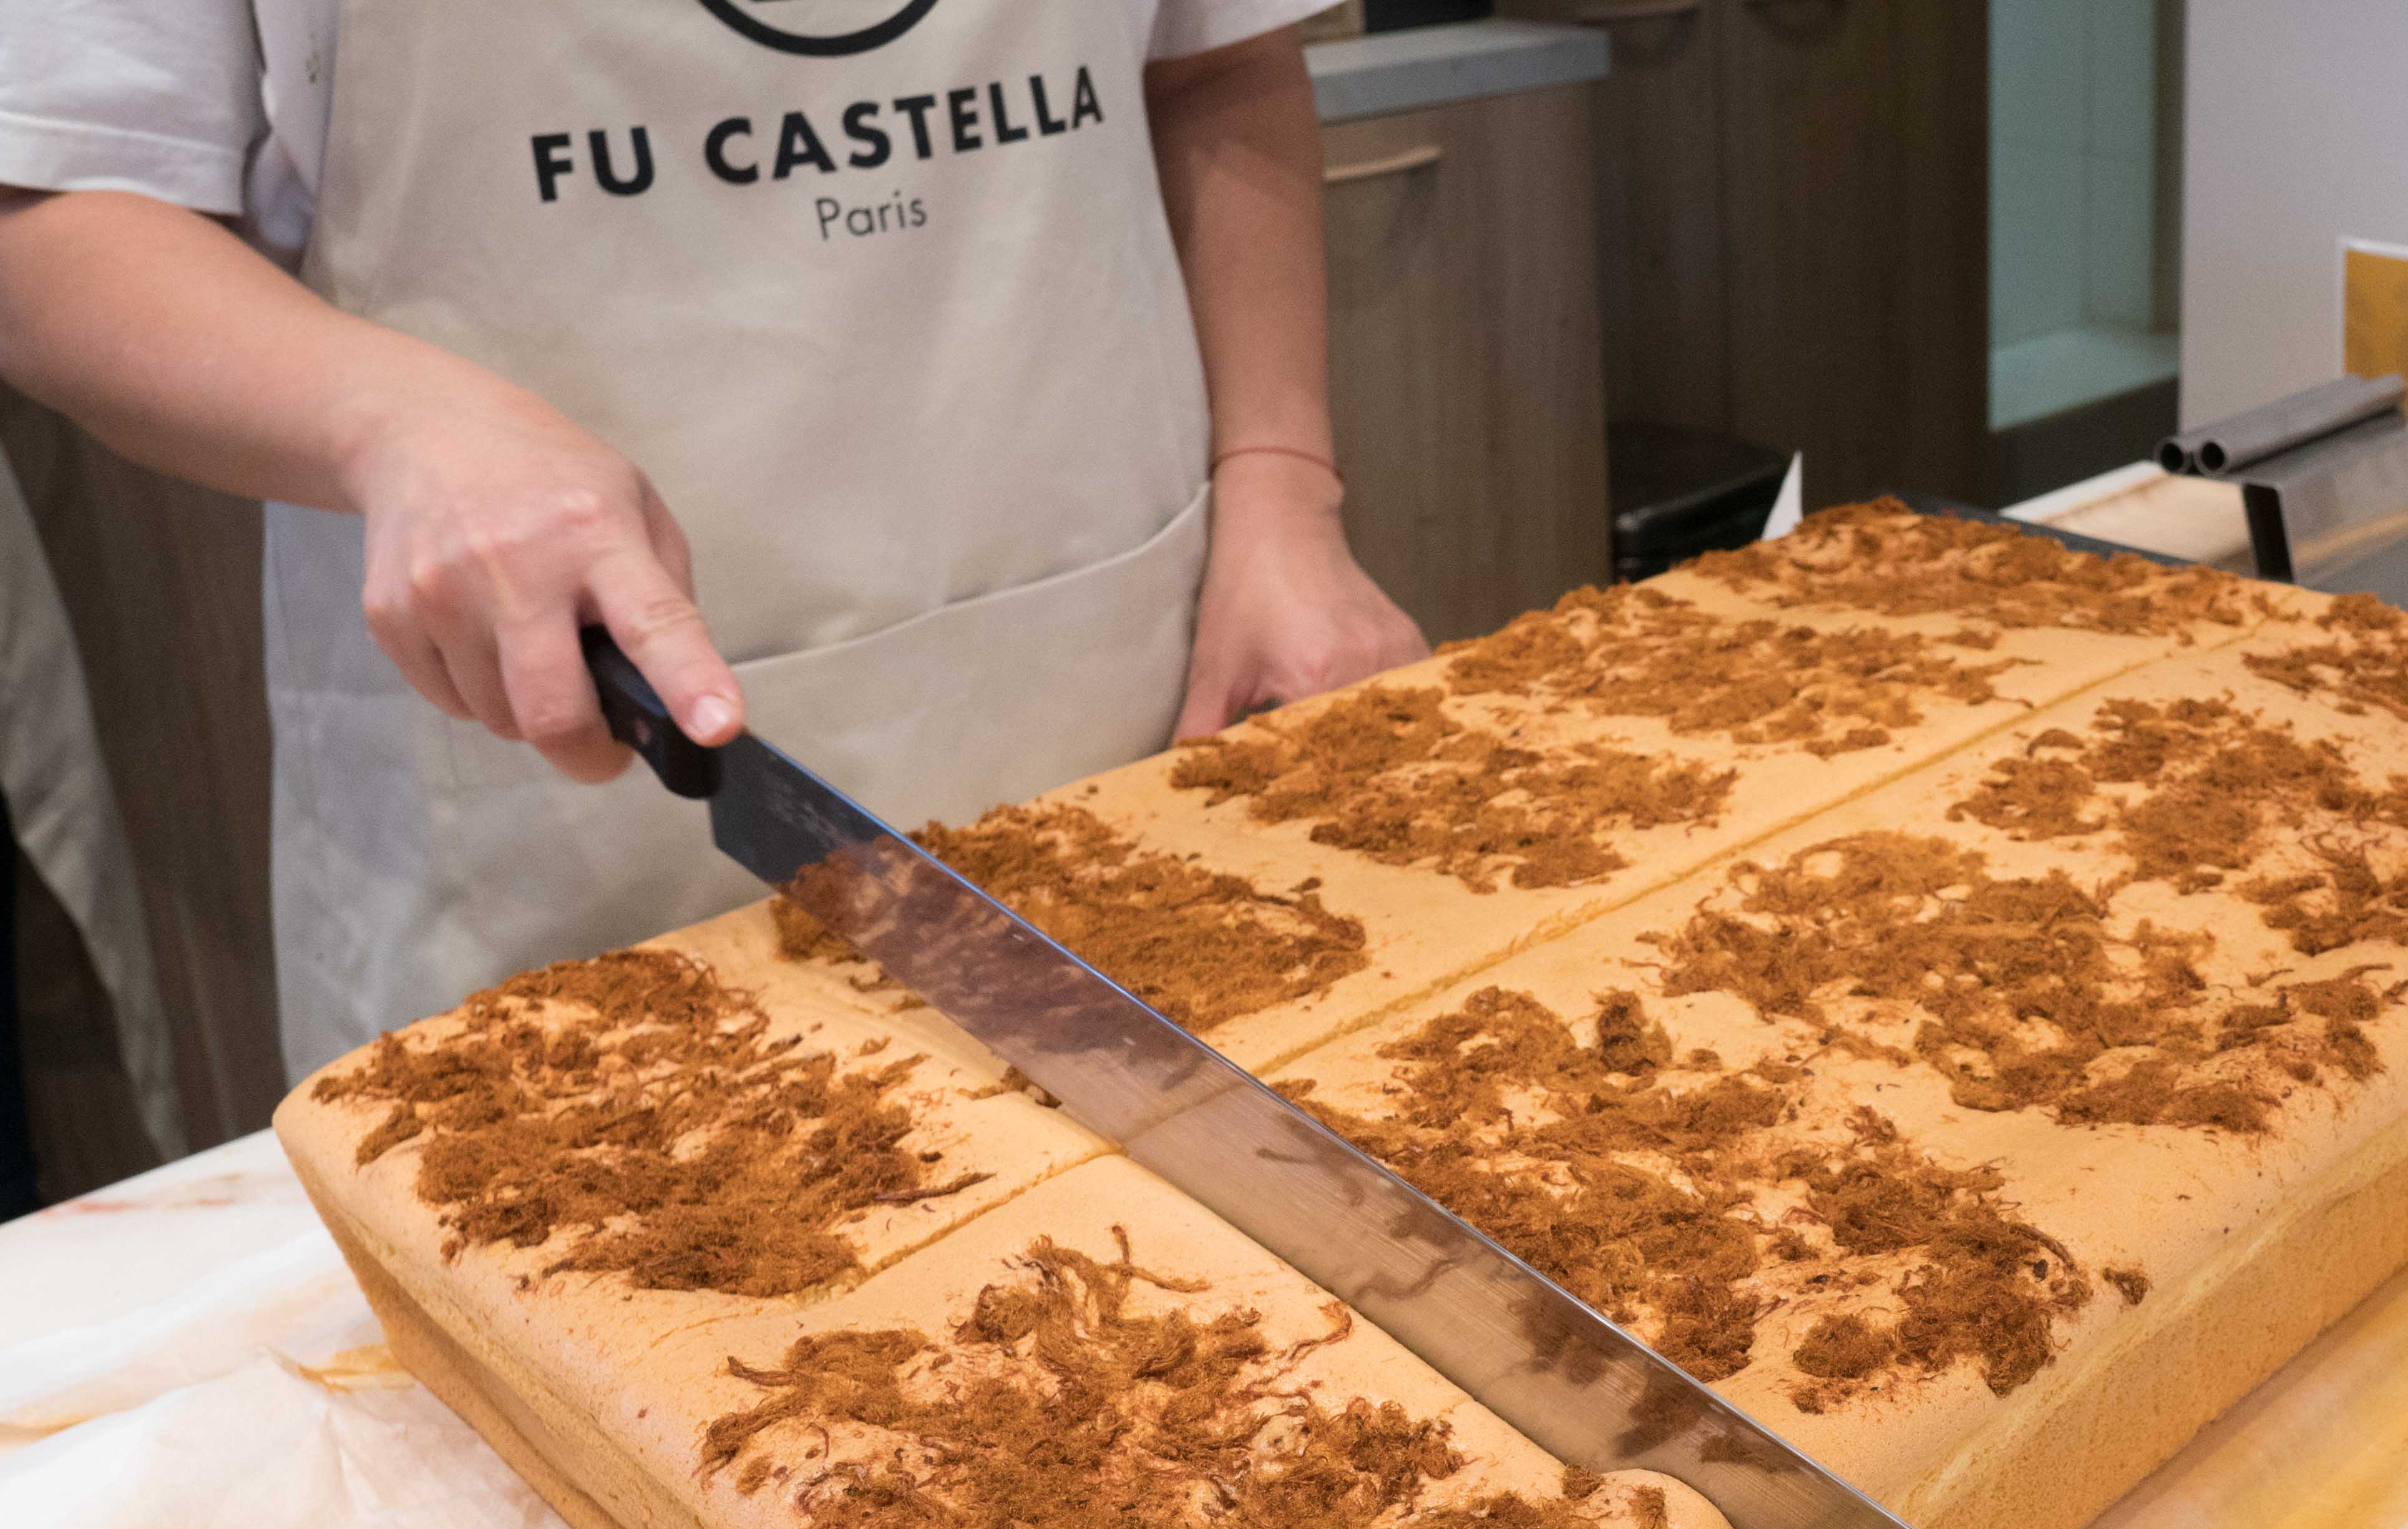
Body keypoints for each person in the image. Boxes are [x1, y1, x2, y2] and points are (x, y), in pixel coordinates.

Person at [0, 0, 1426, 1076]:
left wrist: (1281, 487)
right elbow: (51, 209)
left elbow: (1218, 64)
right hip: (563, 776)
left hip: (1117, 693)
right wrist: (396, 421)